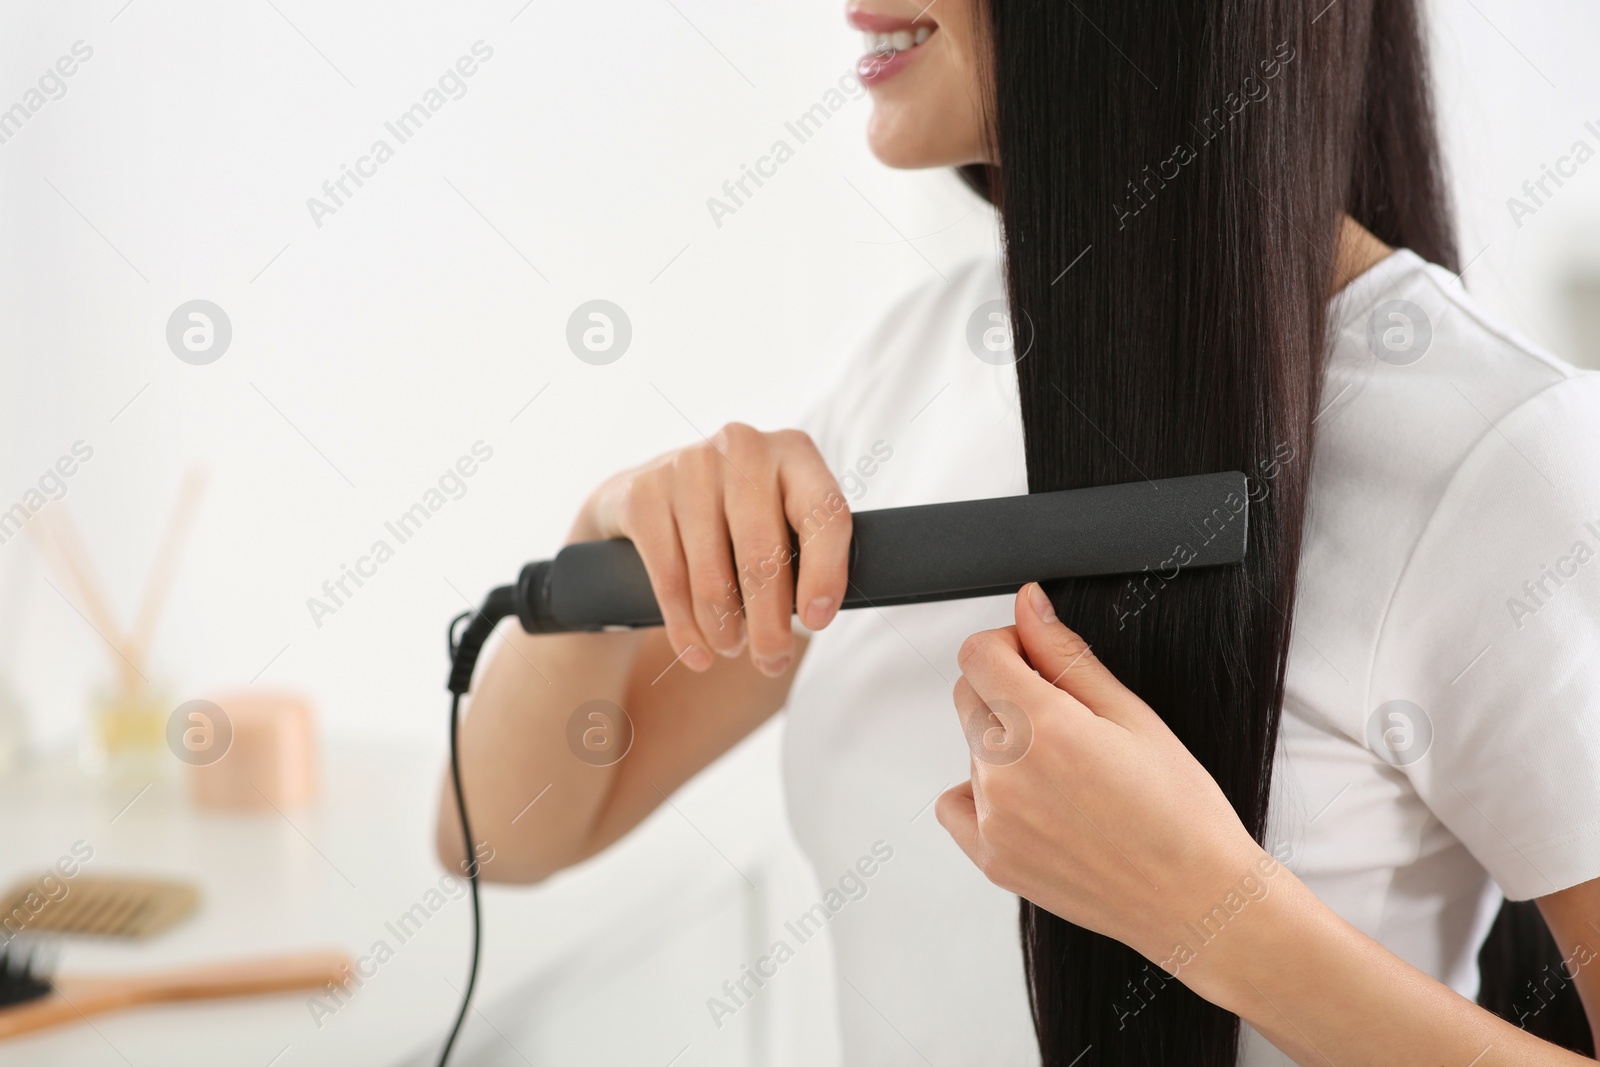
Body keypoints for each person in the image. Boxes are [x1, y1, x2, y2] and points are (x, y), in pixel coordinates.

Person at [439, 0, 1600, 1062]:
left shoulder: (1504, 456)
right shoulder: (915, 359)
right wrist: (607, 534)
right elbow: (500, 835)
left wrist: (1210, 918)